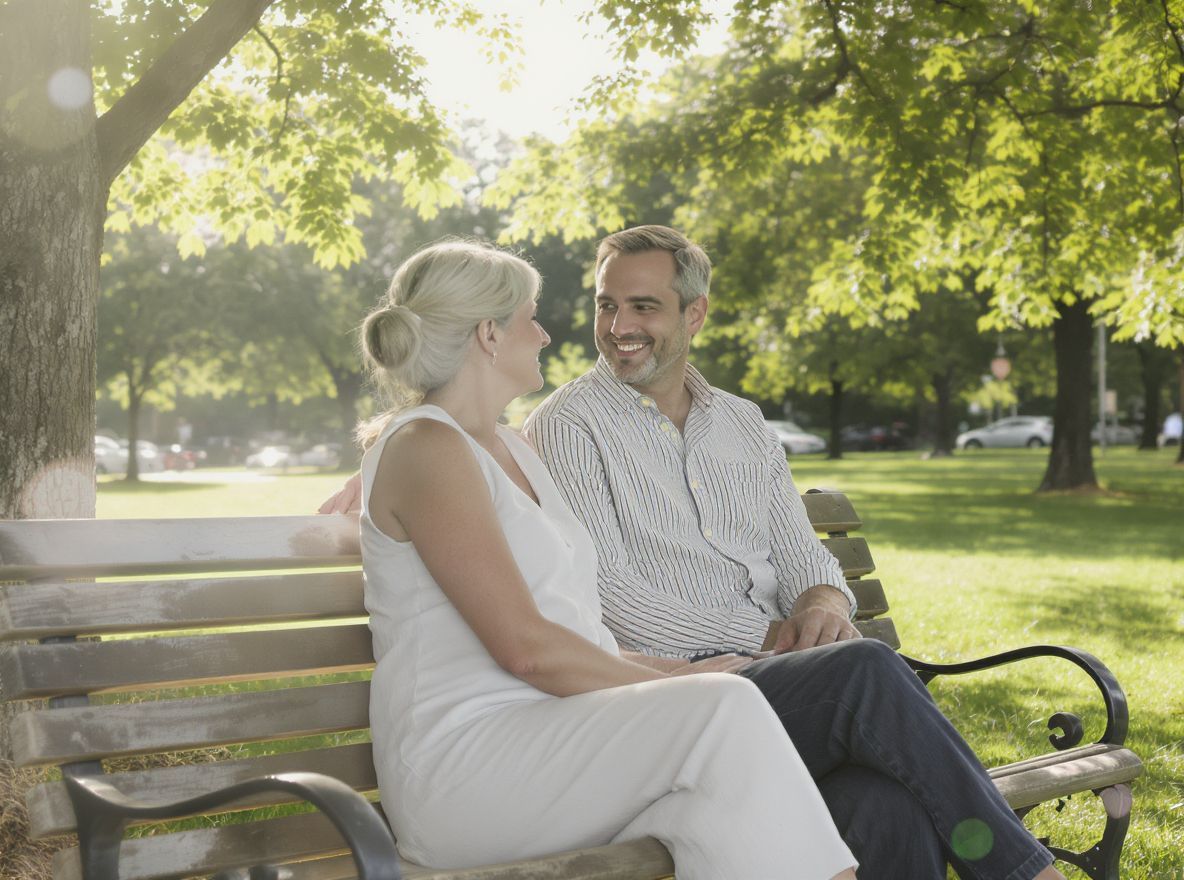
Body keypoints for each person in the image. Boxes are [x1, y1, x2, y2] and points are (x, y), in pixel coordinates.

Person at [520, 225, 1066, 880]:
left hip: (776, 688)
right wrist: (778, 638)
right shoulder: (568, 426)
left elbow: (806, 557)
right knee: (865, 669)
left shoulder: (743, 423)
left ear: (695, 313)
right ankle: (1029, 874)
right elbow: (616, 598)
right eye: (607, 304)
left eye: (643, 306)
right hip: (676, 695)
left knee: (883, 804)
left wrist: (825, 603)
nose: (617, 326)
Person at [356, 238, 859, 879]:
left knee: (722, 813)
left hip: (554, 740)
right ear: (488, 335)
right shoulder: (428, 445)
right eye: (529, 318)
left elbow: (576, 633)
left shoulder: (510, 448)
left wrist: (678, 669)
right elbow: (528, 650)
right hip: (465, 767)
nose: (543, 335)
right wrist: (688, 686)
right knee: (727, 708)